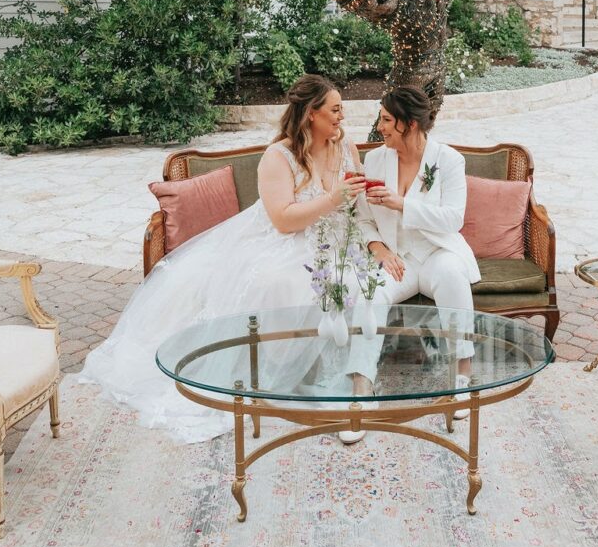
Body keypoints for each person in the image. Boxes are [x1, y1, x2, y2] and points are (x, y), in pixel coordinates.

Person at [80, 74, 368, 443]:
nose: (342, 116)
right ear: (312, 113)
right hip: (285, 240)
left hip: (336, 239)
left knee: (350, 282)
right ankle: (302, 382)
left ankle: (344, 382)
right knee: (283, 283)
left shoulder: (345, 147)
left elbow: (353, 201)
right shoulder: (278, 156)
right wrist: (333, 199)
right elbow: (281, 220)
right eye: (335, 109)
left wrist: (365, 202)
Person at [341, 86, 479, 444]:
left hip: (436, 253)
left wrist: (402, 204)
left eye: (387, 120)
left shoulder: (448, 160)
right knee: (369, 293)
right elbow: (363, 219)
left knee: (451, 275)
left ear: (409, 123)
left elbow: (453, 220)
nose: (380, 127)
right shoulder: (375, 161)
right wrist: (379, 249)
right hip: (395, 260)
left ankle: (461, 377)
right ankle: (360, 390)